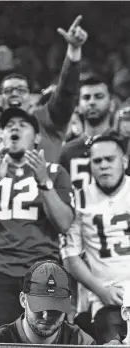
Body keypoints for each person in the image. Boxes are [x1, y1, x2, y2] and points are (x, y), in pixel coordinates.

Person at [0, 107, 76, 336]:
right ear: (2, 136)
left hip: (43, 272)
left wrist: (44, 182)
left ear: (36, 138)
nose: (14, 127)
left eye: (22, 124)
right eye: (8, 125)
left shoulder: (56, 172)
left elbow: (64, 223)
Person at [0, 15, 87, 164]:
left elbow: (66, 94)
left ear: (31, 98)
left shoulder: (46, 120)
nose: (15, 93)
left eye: (21, 90)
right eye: (8, 90)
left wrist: (74, 52)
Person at [61, 132, 130, 343]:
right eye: (97, 161)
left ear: (124, 161)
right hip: (106, 299)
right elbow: (70, 258)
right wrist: (102, 291)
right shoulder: (79, 198)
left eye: (110, 159)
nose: (103, 165)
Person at [0, 260, 95, 344]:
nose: (46, 316)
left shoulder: (81, 342)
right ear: (23, 300)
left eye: (54, 310)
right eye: (39, 307)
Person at [59, 76, 130, 190]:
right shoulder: (66, 152)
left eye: (99, 97)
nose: (92, 102)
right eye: (86, 98)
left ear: (112, 105)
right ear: (78, 107)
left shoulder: (126, 146)